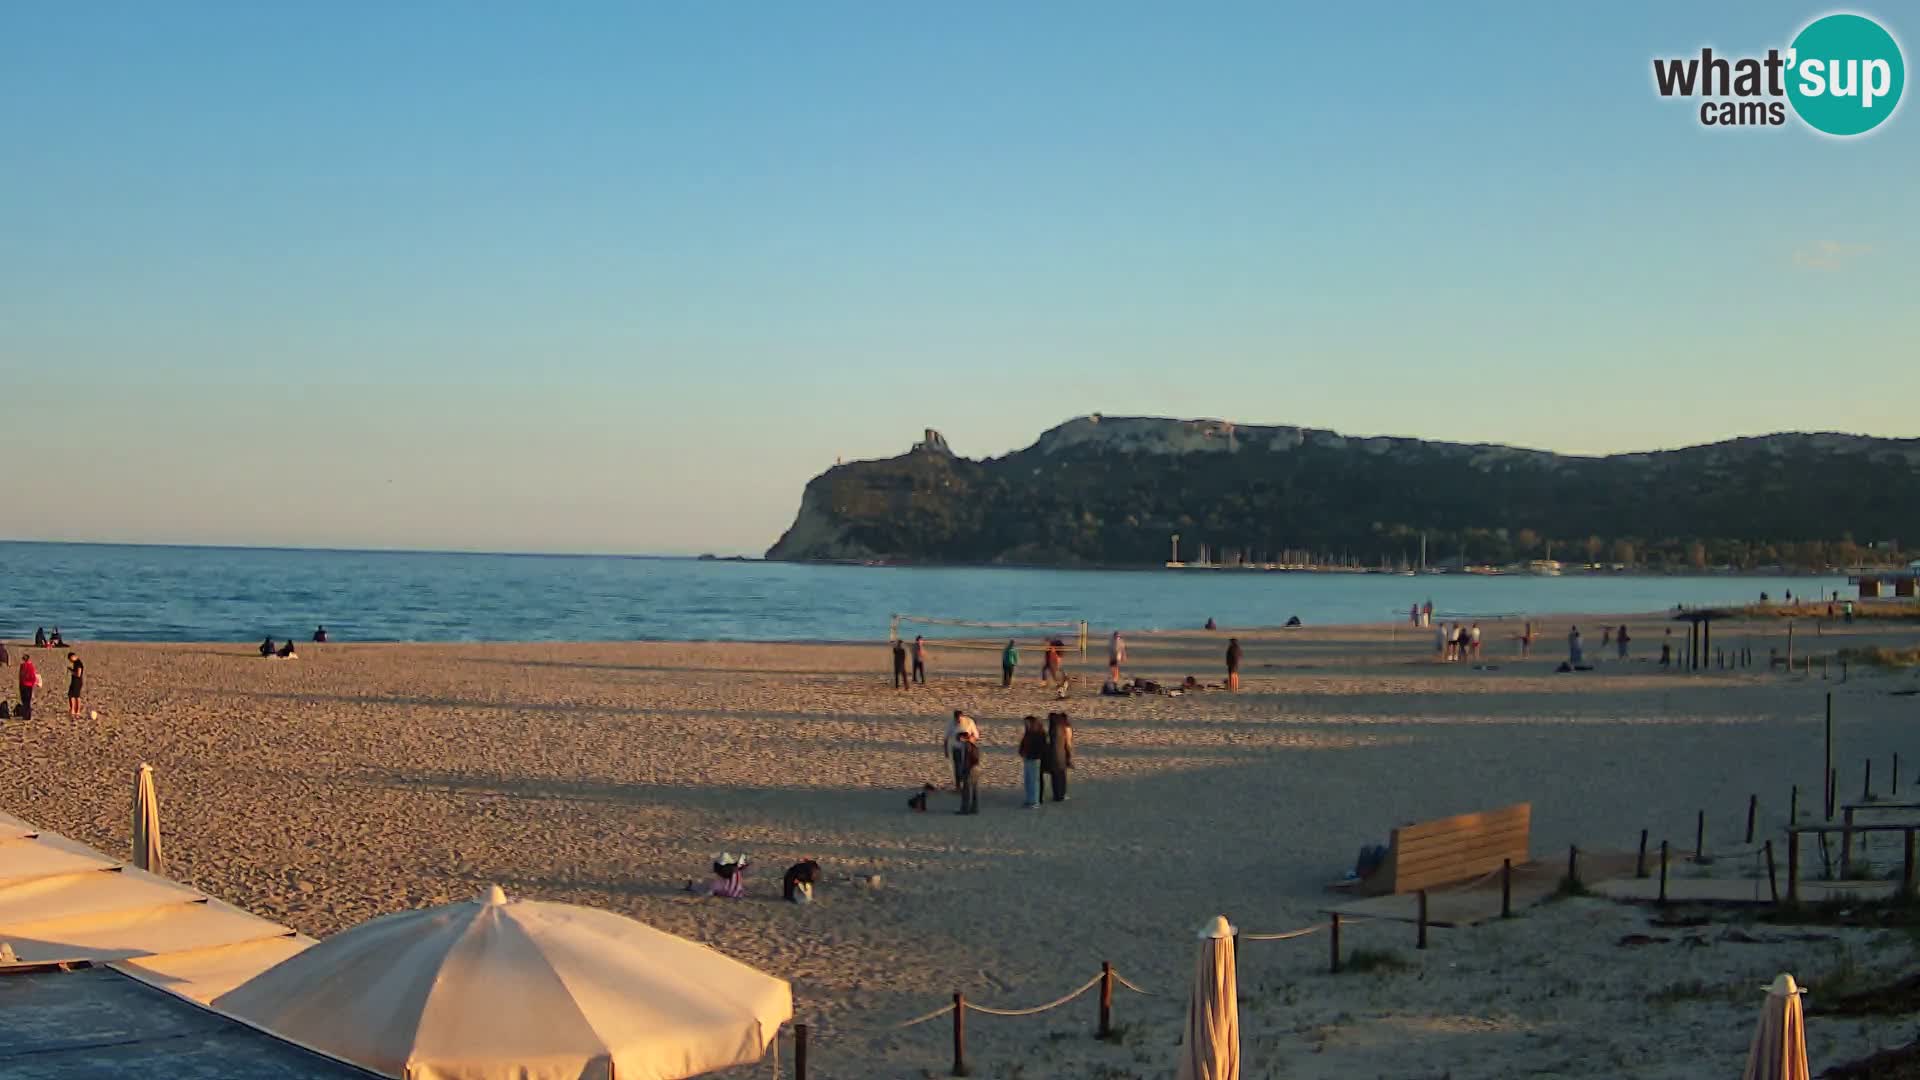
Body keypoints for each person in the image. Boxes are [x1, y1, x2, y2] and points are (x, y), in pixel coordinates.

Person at [1018, 715, 1048, 808]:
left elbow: (1042, 747)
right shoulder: (1029, 733)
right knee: (1028, 780)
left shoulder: (1039, 733)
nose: (1025, 725)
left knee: (1034, 781)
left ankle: (1035, 801)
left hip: (1034, 759)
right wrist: (1022, 752)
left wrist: (1034, 755)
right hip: (1027, 758)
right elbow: (1023, 744)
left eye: (1027, 723)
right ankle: (1029, 799)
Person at [944, 710, 978, 791]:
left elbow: (976, 735)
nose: (958, 721)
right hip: (956, 748)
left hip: (967, 748)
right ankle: (958, 787)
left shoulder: (969, 722)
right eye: (956, 720)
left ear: (963, 717)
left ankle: (966, 785)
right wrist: (946, 751)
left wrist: (968, 738)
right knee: (957, 767)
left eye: (960, 719)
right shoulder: (950, 724)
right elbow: (946, 739)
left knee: (966, 767)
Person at [1046, 711, 1073, 801]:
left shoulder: (1052, 727)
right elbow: (1068, 743)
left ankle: (1056, 794)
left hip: (1052, 752)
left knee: (1054, 775)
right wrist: (1069, 755)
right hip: (1062, 752)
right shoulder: (1065, 727)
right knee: (1061, 774)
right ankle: (1061, 794)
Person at [955, 729, 981, 815]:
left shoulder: (966, 746)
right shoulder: (973, 745)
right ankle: (974, 808)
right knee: (974, 790)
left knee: (966, 790)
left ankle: (965, 809)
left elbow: (965, 760)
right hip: (976, 768)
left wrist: (963, 771)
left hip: (969, 769)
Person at [18, 655, 40, 722]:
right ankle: (26, 715)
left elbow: (31, 676)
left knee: (25, 700)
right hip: (27, 685)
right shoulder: (27, 665)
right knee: (26, 700)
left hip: (25, 684)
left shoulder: (27, 666)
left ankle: (26, 715)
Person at [66, 653, 83, 718]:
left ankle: (77, 711)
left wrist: (72, 672)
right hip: (74, 681)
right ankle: (72, 709)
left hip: (77, 682)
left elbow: (78, 674)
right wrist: (71, 670)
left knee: (76, 696)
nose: (70, 661)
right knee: (71, 695)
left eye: (70, 659)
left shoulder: (78, 663)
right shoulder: (75, 663)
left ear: (74, 657)